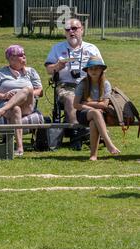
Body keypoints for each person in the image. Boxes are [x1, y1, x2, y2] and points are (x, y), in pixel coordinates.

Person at [45, 18, 102, 150]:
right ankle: (77, 134)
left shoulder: (91, 48)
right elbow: (48, 70)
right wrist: (58, 66)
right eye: (68, 29)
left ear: (82, 30)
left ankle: (92, 131)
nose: (71, 32)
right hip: (65, 85)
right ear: (65, 32)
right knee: (71, 98)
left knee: (98, 98)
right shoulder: (57, 48)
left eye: (75, 29)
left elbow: (101, 69)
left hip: (88, 85)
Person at [0, 45, 43, 156]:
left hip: (27, 106)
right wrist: (4, 96)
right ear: (11, 58)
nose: (24, 57)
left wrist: (27, 93)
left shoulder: (31, 72)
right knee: (15, 109)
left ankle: (1, 111)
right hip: (7, 104)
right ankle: (19, 148)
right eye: (21, 55)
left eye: (24, 54)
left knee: (27, 89)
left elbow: (40, 91)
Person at [73, 57, 120, 161]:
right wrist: (91, 107)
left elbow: (104, 105)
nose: (93, 71)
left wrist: (87, 103)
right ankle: (109, 144)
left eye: (96, 68)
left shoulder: (106, 84)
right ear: (87, 71)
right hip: (83, 113)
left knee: (94, 122)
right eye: (91, 69)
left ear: (101, 70)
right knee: (95, 113)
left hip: (100, 114)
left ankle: (93, 155)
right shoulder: (82, 84)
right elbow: (76, 105)